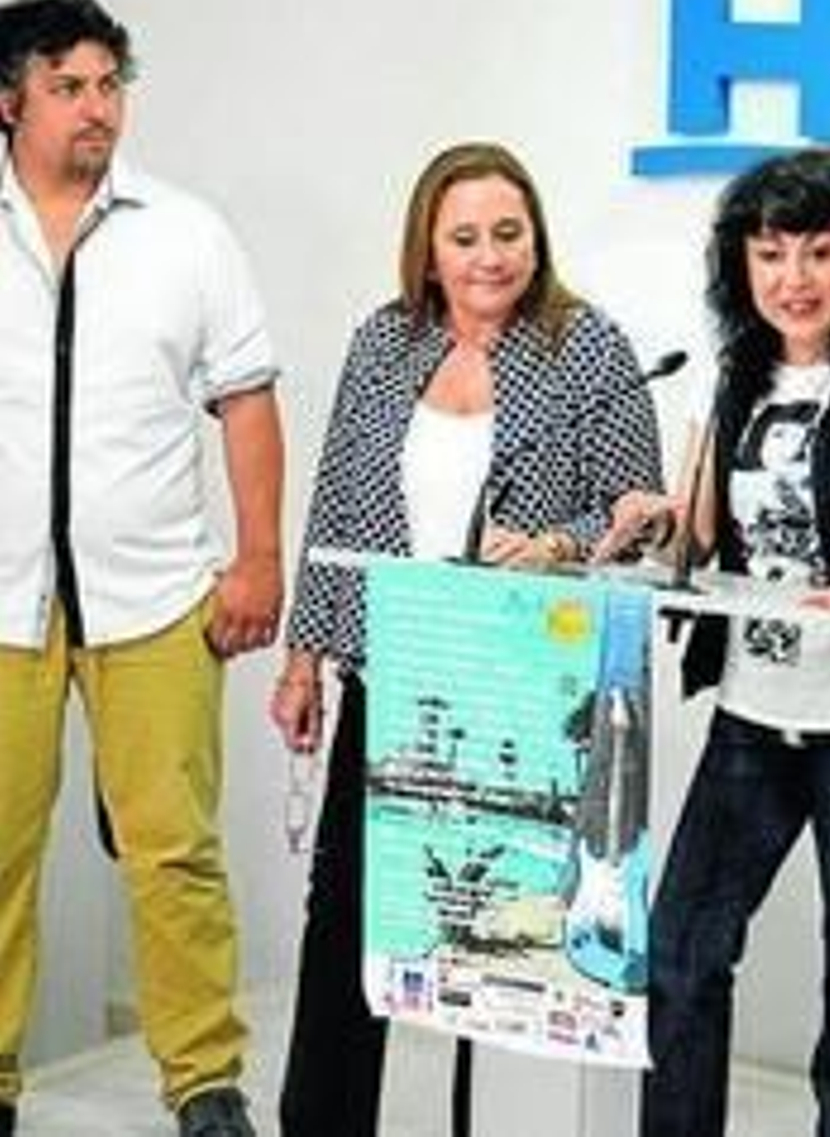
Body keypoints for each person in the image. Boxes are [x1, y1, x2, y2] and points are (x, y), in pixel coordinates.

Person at [269, 140, 662, 1136]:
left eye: (508, 233)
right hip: (394, 669)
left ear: (537, 237)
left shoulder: (588, 346)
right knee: (347, 914)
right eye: (466, 237)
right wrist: (304, 654)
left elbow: (643, 513)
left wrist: (557, 545)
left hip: (521, 687)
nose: (490, 256)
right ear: (429, 248)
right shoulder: (383, 341)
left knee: (503, 940)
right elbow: (337, 502)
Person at [596, 147, 830, 1137]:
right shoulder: (728, 375)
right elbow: (697, 533)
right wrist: (653, 524)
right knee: (682, 947)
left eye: (817, 252)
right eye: (769, 255)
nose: (793, 278)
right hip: (754, 714)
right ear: (742, 266)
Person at [0, 0, 282, 1137]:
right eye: (68, 85)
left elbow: (246, 398)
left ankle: (205, 1082)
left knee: (174, 852)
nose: (97, 107)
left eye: (110, 83)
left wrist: (258, 558)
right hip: (2, 601)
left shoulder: (186, 231)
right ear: (10, 100)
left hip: (157, 595)